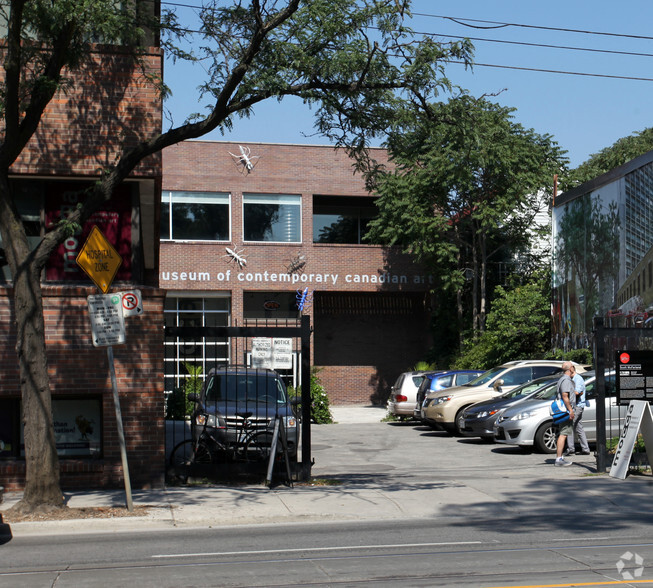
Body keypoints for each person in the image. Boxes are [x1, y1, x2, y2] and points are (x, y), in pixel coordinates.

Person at [565, 364, 591, 456]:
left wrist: (567, 393)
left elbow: (578, 392)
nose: (566, 372)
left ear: (571, 369)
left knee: (570, 425)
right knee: (578, 427)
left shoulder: (578, 379)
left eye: (566, 370)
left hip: (578, 406)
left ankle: (571, 449)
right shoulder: (573, 379)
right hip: (576, 406)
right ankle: (585, 448)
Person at [554, 361, 576, 467]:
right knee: (563, 434)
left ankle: (560, 457)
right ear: (570, 368)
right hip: (566, 411)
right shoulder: (566, 380)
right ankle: (559, 459)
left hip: (564, 410)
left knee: (564, 433)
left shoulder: (562, 379)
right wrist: (570, 410)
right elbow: (565, 395)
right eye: (573, 367)